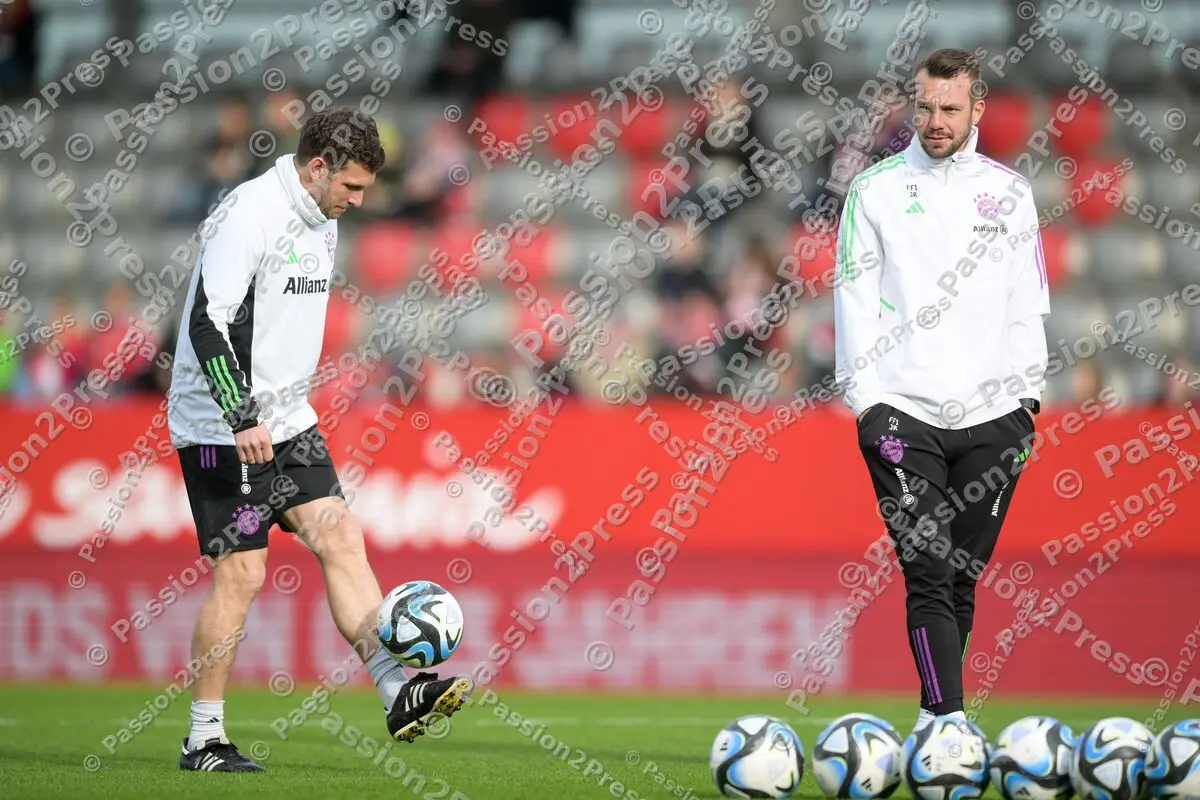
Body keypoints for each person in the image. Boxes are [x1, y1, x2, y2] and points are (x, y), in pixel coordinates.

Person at [167, 108, 471, 772]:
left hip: (289, 420)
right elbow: (204, 323)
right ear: (315, 169)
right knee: (244, 573)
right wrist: (240, 414)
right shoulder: (248, 214)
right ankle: (204, 739)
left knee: (339, 533)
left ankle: (399, 692)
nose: (357, 202)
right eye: (352, 187)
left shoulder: (322, 214)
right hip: (222, 426)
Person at [833, 49, 1050, 733]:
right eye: (925, 106)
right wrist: (867, 402)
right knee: (927, 567)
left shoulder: (1011, 193)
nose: (934, 119)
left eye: (949, 108)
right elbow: (853, 297)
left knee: (959, 577)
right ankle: (951, 722)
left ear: (977, 109)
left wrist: (1027, 405)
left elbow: (1028, 300)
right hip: (903, 413)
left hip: (995, 416)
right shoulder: (875, 190)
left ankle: (934, 723)